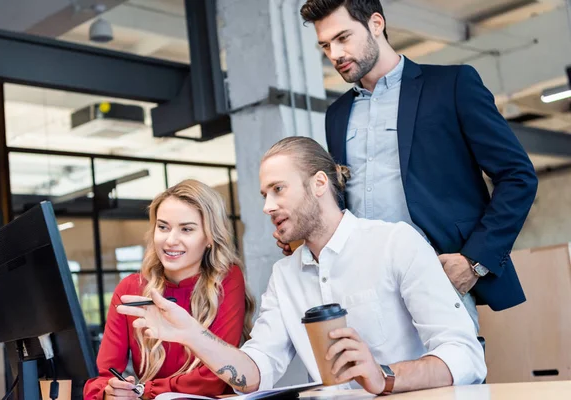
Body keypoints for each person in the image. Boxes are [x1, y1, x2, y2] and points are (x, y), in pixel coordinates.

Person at [116, 137, 486, 396]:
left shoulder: (395, 243)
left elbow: (465, 354)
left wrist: (384, 376)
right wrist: (194, 335)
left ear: (319, 184)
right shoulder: (286, 276)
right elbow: (257, 373)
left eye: (279, 189)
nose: (267, 206)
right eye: (265, 195)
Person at [271, 0, 539, 326]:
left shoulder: (452, 86)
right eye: (325, 45)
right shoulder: (337, 114)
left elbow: (517, 175)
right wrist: (303, 227)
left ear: (376, 24)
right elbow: (342, 204)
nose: (334, 54)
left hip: (438, 276)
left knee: (452, 375)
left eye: (343, 38)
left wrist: (474, 261)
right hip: (364, 286)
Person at [83, 179, 256, 400]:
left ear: (210, 237)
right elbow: (102, 378)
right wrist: (111, 393)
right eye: (163, 227)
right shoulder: (130, 289)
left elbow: (212, 380)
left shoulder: (227, 280)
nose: (170, 240)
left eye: (186, 229)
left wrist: (146, 390)